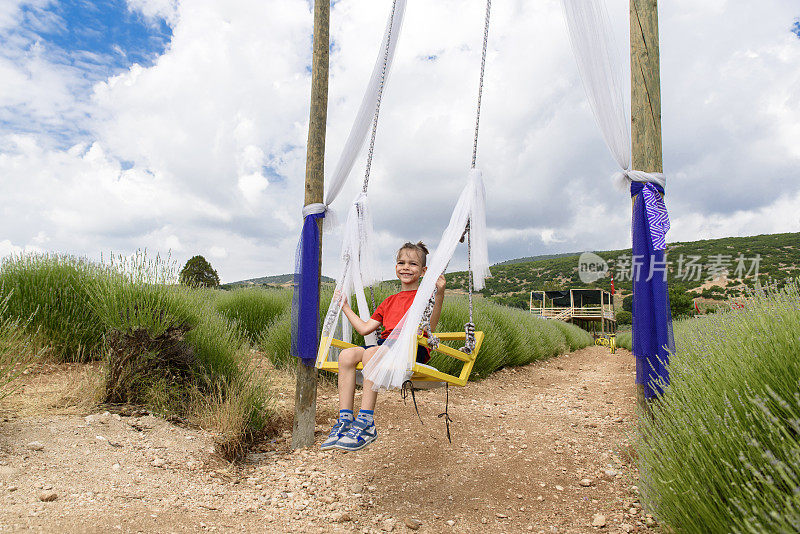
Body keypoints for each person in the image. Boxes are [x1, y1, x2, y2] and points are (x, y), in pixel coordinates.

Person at [321, 241, 446, 451]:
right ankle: (345, 420)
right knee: (347, 355)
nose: (406, 267)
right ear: (396, 268)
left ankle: (366, 422)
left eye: (413, 264)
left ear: (424, 271)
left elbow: (430, 326)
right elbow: (364, 329)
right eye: (401, 262)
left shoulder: (424, 297)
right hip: (385, 347)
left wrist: (440, 293)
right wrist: (344, 306)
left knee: (371, 354)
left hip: (411, 349)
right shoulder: (389, 301)